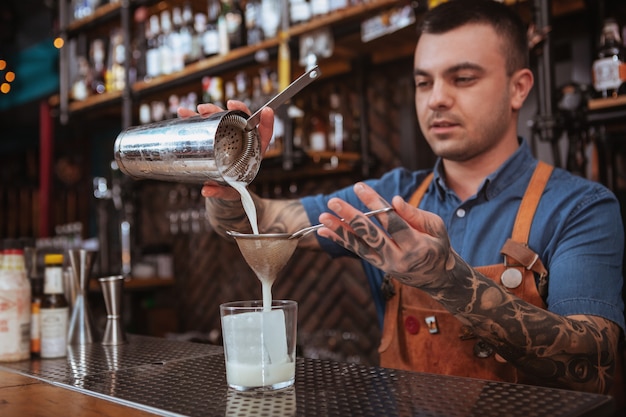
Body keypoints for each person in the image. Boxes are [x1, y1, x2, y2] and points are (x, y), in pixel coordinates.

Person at [180, 0, 625, 401]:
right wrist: (228, 174)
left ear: (519, 88)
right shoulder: (388, 198)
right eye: (422, 82)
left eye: (463, 78)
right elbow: (263, 222)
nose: (437, 99)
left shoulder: (580, 207)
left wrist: (446, 278)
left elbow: (596, 364)